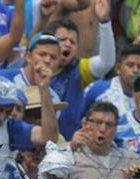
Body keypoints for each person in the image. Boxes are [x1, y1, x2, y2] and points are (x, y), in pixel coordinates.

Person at [45, 6, 116, 139]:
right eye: (62, 40)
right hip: (32, 145)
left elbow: (106, 62)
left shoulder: (79, 69)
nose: (68, 44)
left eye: (73, 42)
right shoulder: (30, 69)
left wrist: (105, 23)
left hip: (67, 148)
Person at [82, 44, 140, 124]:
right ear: (118, 68)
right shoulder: (98, 89)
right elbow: (76, 117)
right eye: (130, 65)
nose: (135, 70)